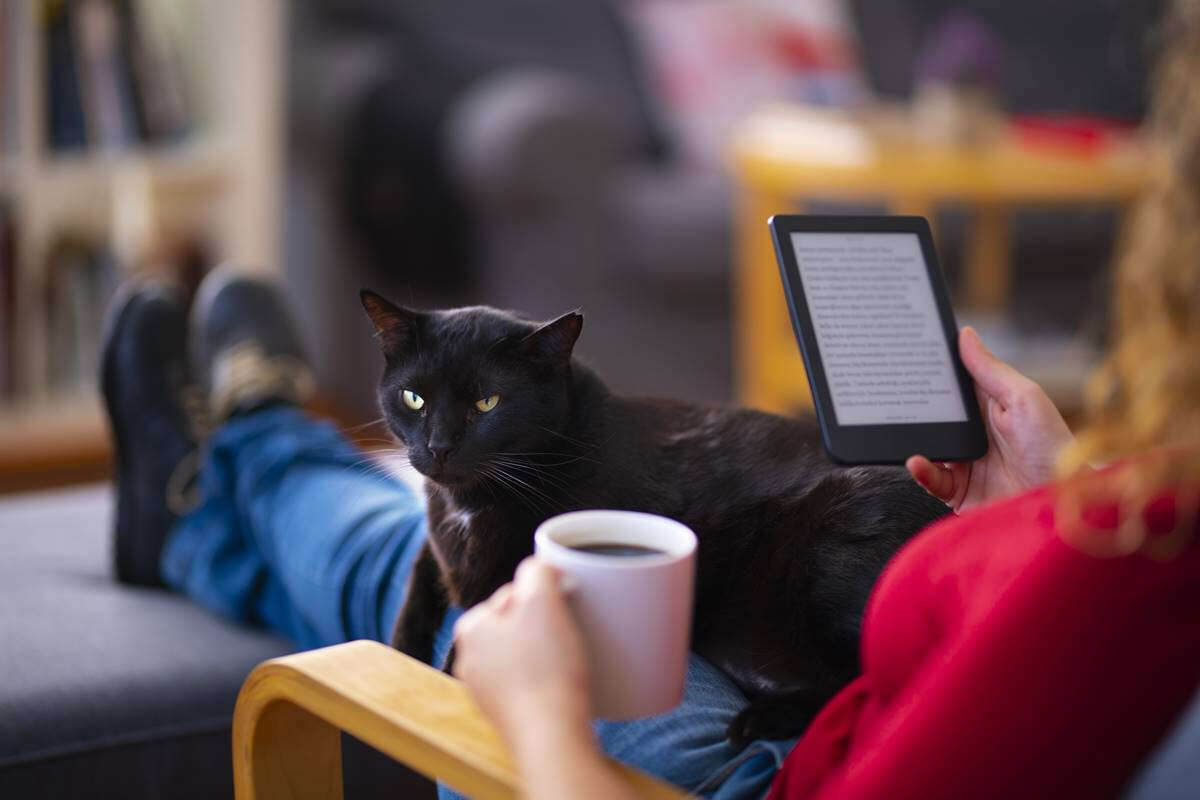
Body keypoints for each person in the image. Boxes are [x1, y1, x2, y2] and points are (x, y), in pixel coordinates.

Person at [101, 5, 1199, 799]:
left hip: (761, 761)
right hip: (815, 679)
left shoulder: (1142, 579)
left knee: (430, 563)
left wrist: (534, 710)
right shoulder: (1153, 545)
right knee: (447, 537)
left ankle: (234, 459)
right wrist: (1048, 507)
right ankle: (233, 466)